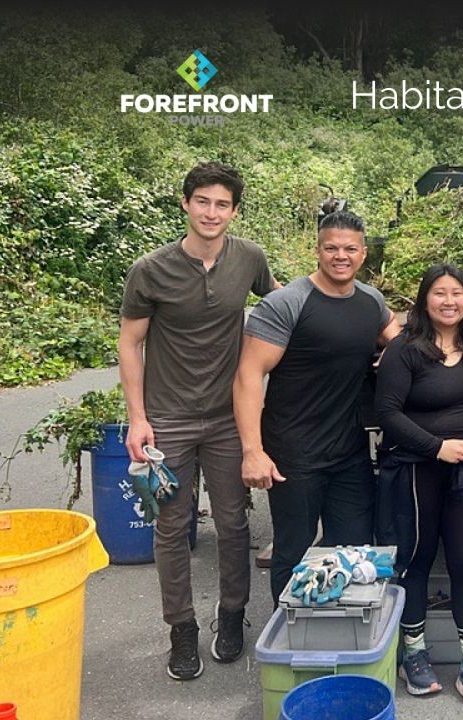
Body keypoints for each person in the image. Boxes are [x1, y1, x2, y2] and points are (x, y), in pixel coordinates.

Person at [118, 161, 279, 680]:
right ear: (186, 204)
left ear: (234, 211)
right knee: (172, 525)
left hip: (231, 416)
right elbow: (130, 343)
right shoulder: (151, 270)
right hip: (169, 419)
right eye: (203, 201)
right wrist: (137, 419)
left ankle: (231, 616)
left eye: (223, 204)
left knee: (234, 523)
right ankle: (181, 629)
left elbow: (280, 305)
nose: (212, 212)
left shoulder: (248, 259)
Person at [233, 208, 400, 602]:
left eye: (350, 249)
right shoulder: (287, 303)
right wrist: (252, 452)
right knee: (294, 552)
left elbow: (395, 336)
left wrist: (396, 350)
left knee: (354, 555)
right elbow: (248, 376)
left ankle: (344, 642)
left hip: (349, 454)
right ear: (317, 251)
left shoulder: (370, 301)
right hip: (294, 454)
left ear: (363, 254)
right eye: (331, 248)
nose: (340, 256)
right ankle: (289, 648)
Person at [374, 264, 463, 709]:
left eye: (457, 293)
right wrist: (436, 447)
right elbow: (388, 414)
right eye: (439, 293)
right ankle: (413, 654)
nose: (449, 301)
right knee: (416, 560)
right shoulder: (404, 349)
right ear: (424, 300)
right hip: (416, 466)